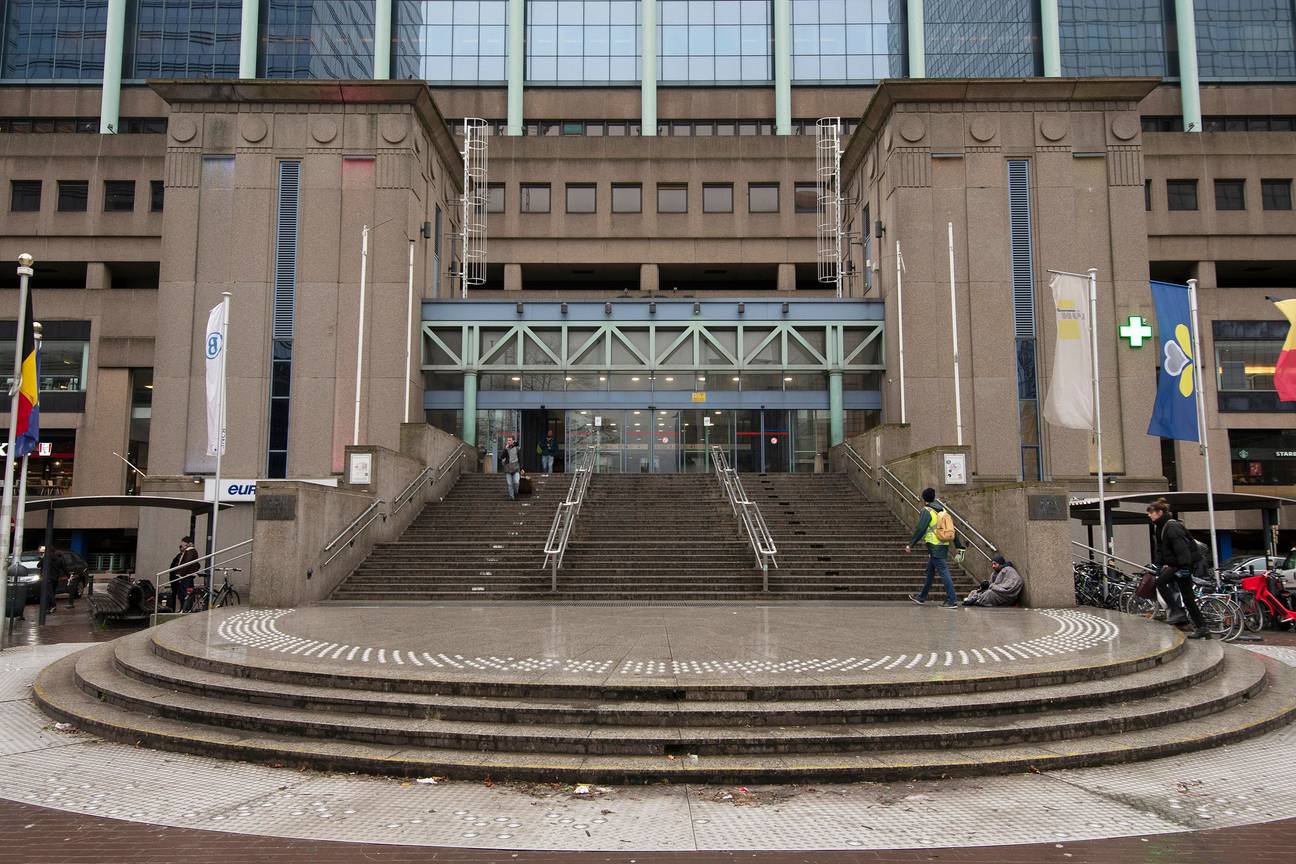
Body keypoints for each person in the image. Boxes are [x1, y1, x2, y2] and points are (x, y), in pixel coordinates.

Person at [1147, 498, 1211, 639]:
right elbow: (1160, 549)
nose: (1149, 515)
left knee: (1160, 583)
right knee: (1188, 598)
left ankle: (1176, 612)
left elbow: (1182, 550)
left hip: (1182, 564)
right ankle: (1202, 627)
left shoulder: (1173, 527)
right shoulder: (1160, 527)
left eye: (1151, 513)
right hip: (1178, 564)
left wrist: (1184, 568)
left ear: (1159, 512)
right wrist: (1158, 565)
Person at [906, 487, 959, 609]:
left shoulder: (927, 511)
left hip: (934, 546)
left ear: (924, 499)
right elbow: (952, 528)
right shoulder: (942, 509)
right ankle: (921, 597)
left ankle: (952, 600)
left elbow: (921, 529)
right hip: (943, 544)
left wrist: (911, 544)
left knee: (944, 572)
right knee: (930, 572)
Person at [168, 536, 200, 612]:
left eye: (183, 545)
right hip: (185, 576)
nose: (182, 547)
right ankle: (183, 608)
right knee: (183, 593)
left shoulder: (190, 551)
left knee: (185, 593)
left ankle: (185, 609)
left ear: (188, 544)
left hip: (185, 576)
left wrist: (180, 574)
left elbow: (186, 563)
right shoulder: (188, 552)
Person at [501, 436, 524, 500]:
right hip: (508, 469)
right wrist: (505, 449)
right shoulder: (506, 449)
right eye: (508, 440)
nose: (509, 441)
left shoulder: (517, 448)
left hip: (516, 468)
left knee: (516, 482)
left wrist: (522, 468)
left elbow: (520, 459)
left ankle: (515, 493)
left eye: (510, 440)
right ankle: (511, 497)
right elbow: (502, 457)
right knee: (509, 484)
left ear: (513, 441)